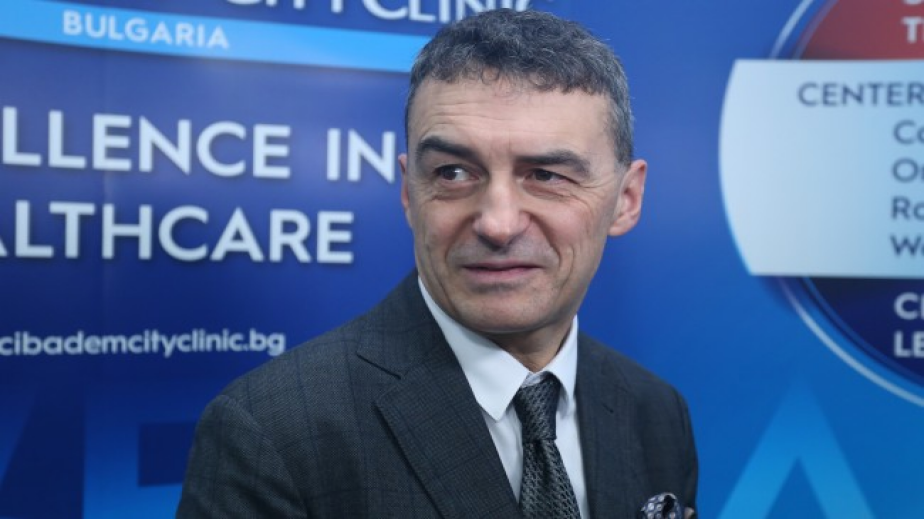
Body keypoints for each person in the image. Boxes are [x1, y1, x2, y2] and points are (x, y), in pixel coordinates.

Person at [178, 8, 697, 518]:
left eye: (546, 175)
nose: (497, 223)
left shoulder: (656, 411)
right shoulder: (272, 432)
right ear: (409, 191)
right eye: (452, 173)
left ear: (626, 199)